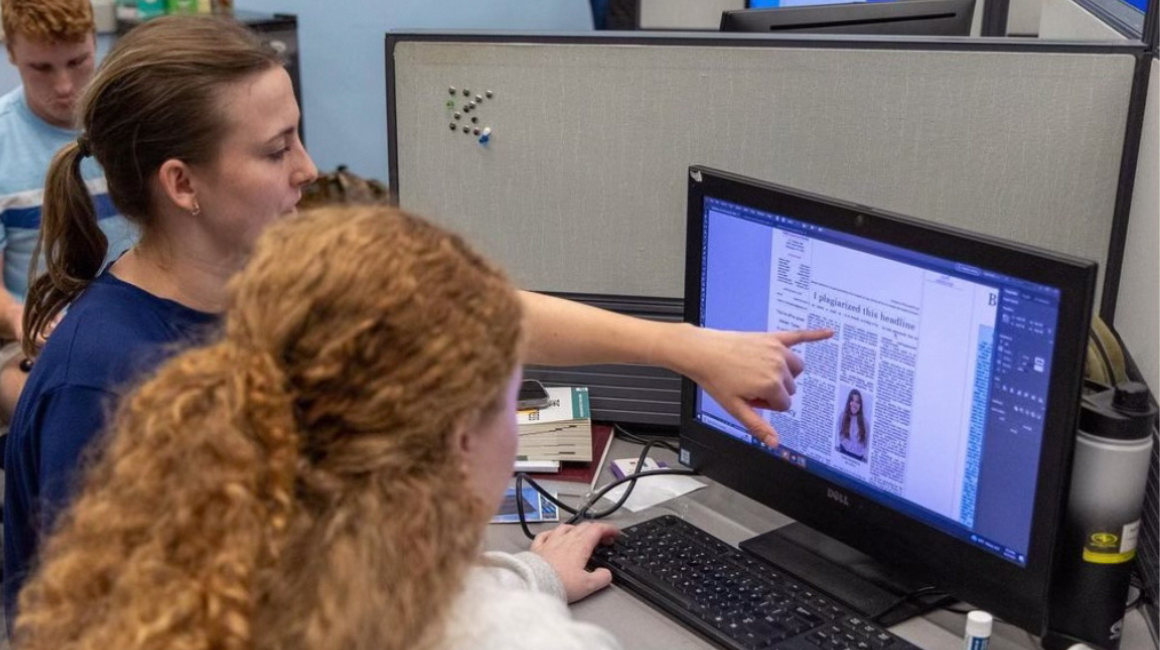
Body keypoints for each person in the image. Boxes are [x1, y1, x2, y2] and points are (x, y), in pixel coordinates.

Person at [3, 15, 829, 625]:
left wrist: (686, 348)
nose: (308, 169)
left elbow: (463, 313)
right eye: (275, 149)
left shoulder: (270, 285)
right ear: (183, 186)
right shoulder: (104, 391)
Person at [12, 204, 623, 650]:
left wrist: (528, 578)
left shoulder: (183, 566)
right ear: (460, 437)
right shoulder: (516, 638)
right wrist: (519, 605)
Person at [0, 0, 136, 417]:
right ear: (10, 53)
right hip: (38, 334)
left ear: (95, 40)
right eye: (41, 68)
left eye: (78, 61)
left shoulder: (133, 122)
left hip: (138, 316)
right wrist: (24, 321)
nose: (64, 86)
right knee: (69, 416)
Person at [836, 388, 868, 460]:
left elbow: (865, 443)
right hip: (844, 452)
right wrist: (849, 448)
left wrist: (859, 452)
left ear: (860, 405)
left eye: (857, 402)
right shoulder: (842, 416)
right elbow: (840, 435)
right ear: (848, 402)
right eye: (852, 401)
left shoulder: (865, 423)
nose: (854, 404)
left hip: (858, 457)